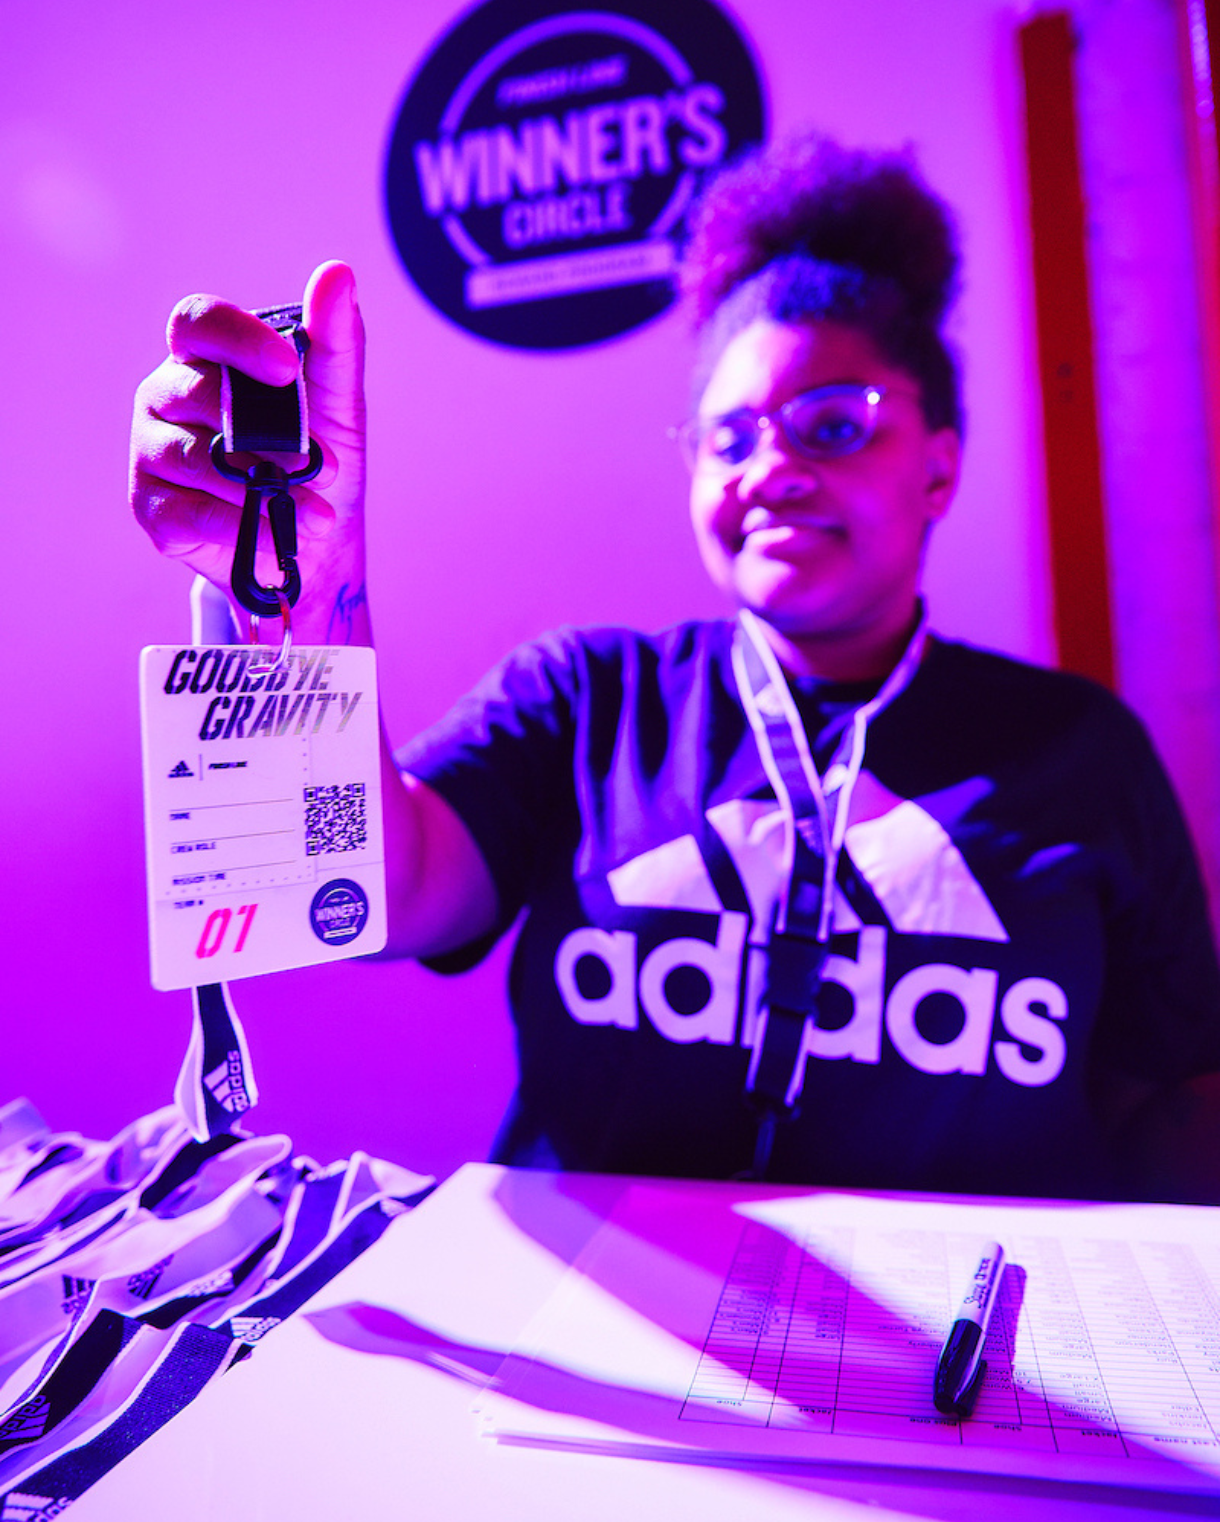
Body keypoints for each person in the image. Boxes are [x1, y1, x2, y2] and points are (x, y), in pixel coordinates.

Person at [131, 132, 1220, 1201]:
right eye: (729, 437)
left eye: (831, 425)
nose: (773, 470)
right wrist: (312, 602)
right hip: (591, 1343)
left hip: (953, 1364)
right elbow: (369, 889)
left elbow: (1164, 1106)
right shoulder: (584, 701)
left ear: (938, 466)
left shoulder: (1082, 752)